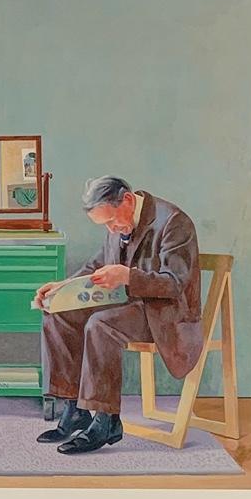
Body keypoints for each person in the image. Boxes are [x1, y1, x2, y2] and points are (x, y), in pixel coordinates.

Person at [34, 176, 203, 454]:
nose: (111, 229)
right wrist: (61, 288)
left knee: (100, 324)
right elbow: (97, 266)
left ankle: (107, 421)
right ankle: (74, 409)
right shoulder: (119, 222)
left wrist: (127, 276)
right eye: (106, 225)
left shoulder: (174, 222)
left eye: (112, 221)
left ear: (127, 199)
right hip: (129, 306)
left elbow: (175, 284)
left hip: (166, 315)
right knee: (58, 313)